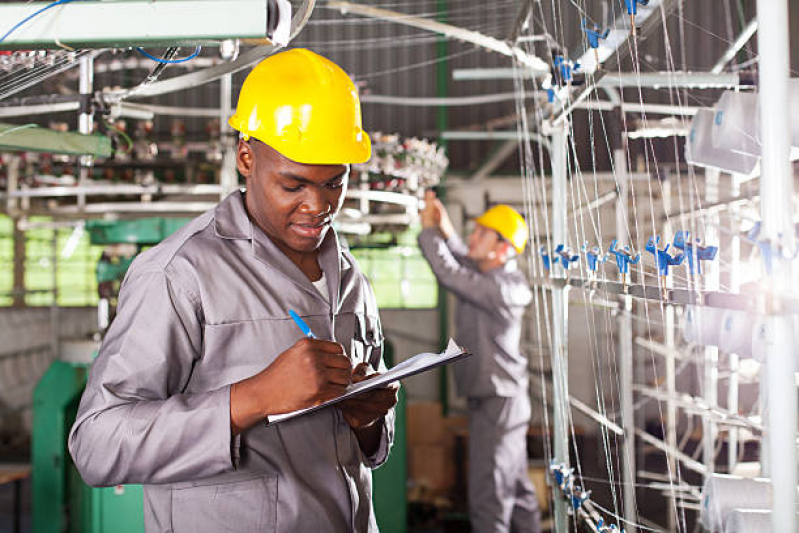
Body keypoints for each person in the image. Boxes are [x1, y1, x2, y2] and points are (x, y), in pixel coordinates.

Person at [69, 49, 398, 533]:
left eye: (335, 183)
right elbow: (97, 446)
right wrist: (254, 397)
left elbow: (363, 453)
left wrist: (368, 420)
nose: (318, 206)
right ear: (246, 157)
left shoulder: (348, 275)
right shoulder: (181, 275)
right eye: (294, 185)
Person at [418, 191, 541, 533]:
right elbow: (464, 259)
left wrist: (429, 230)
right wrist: (444, 229)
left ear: (503, 248)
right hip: (498, 398)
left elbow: (452, 273)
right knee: (515, 491)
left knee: (489, 497)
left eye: (481, 233)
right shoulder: (492, 272)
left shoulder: (505, 288)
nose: (472, 237)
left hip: (498, 402)